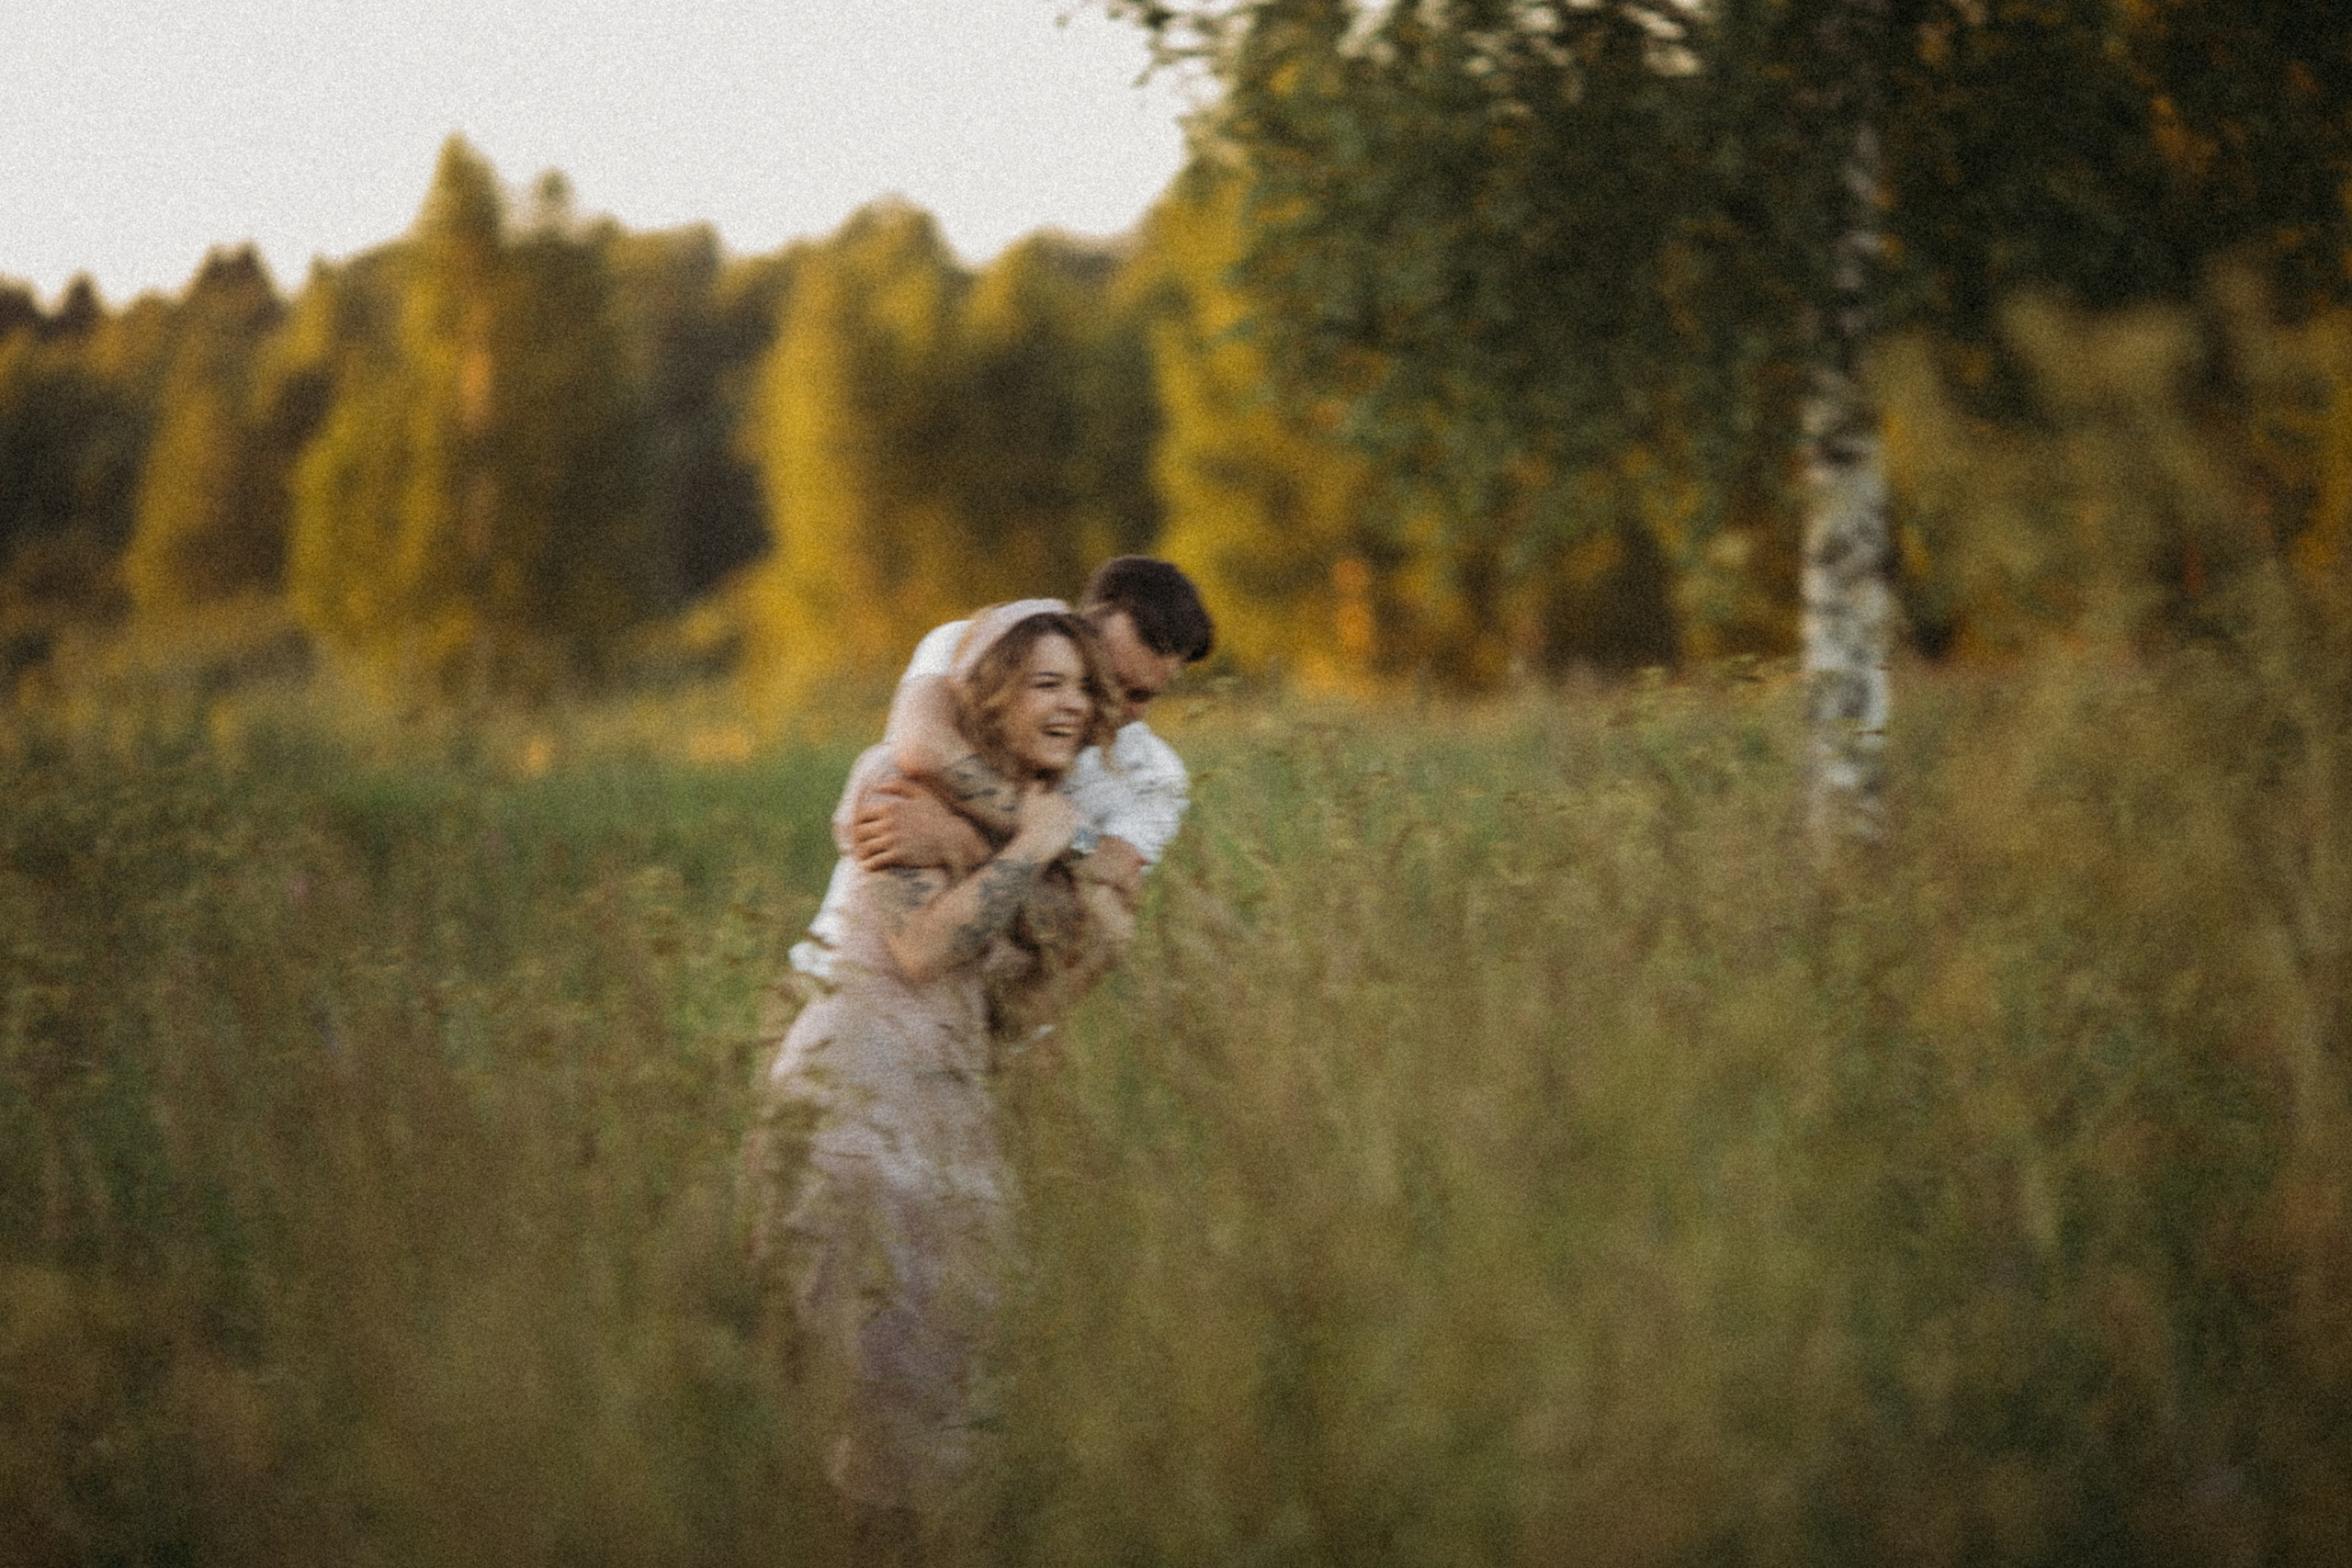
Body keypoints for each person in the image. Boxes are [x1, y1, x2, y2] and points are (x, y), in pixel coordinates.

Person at [745, 603, 1131, 1558]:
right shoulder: (892, 783)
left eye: (1082, 687)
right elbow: (923, 947)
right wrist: (1036, 848)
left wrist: (1088, 953)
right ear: (992, 698)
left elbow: (1007, 1013)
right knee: (874, 1384)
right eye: (1046, 684)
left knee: (954, 1369)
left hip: (951, 1103)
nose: (1071, 705)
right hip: (855, 1092)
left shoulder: (1039, 820)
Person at [787, 558, 1216, 1004]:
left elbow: (1106, 899)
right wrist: (1050, 842)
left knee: (1114, 926)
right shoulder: (975, 648)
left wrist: (962, 842)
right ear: (1080, 627)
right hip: (834, 973)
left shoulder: (1156, 776)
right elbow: (921, 744)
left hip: (987, 1017)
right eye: (1104, 677)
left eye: (1140, 696)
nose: (1112, 702)